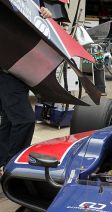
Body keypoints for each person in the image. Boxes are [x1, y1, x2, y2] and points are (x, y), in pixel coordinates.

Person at [0, 3, 52, 177]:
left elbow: (40, 24)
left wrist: (47, 16)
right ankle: (13, 169)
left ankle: (4, 165)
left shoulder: (35, 3)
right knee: (24, 120)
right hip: (7, 68)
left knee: (10, 120)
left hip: (22, 68)